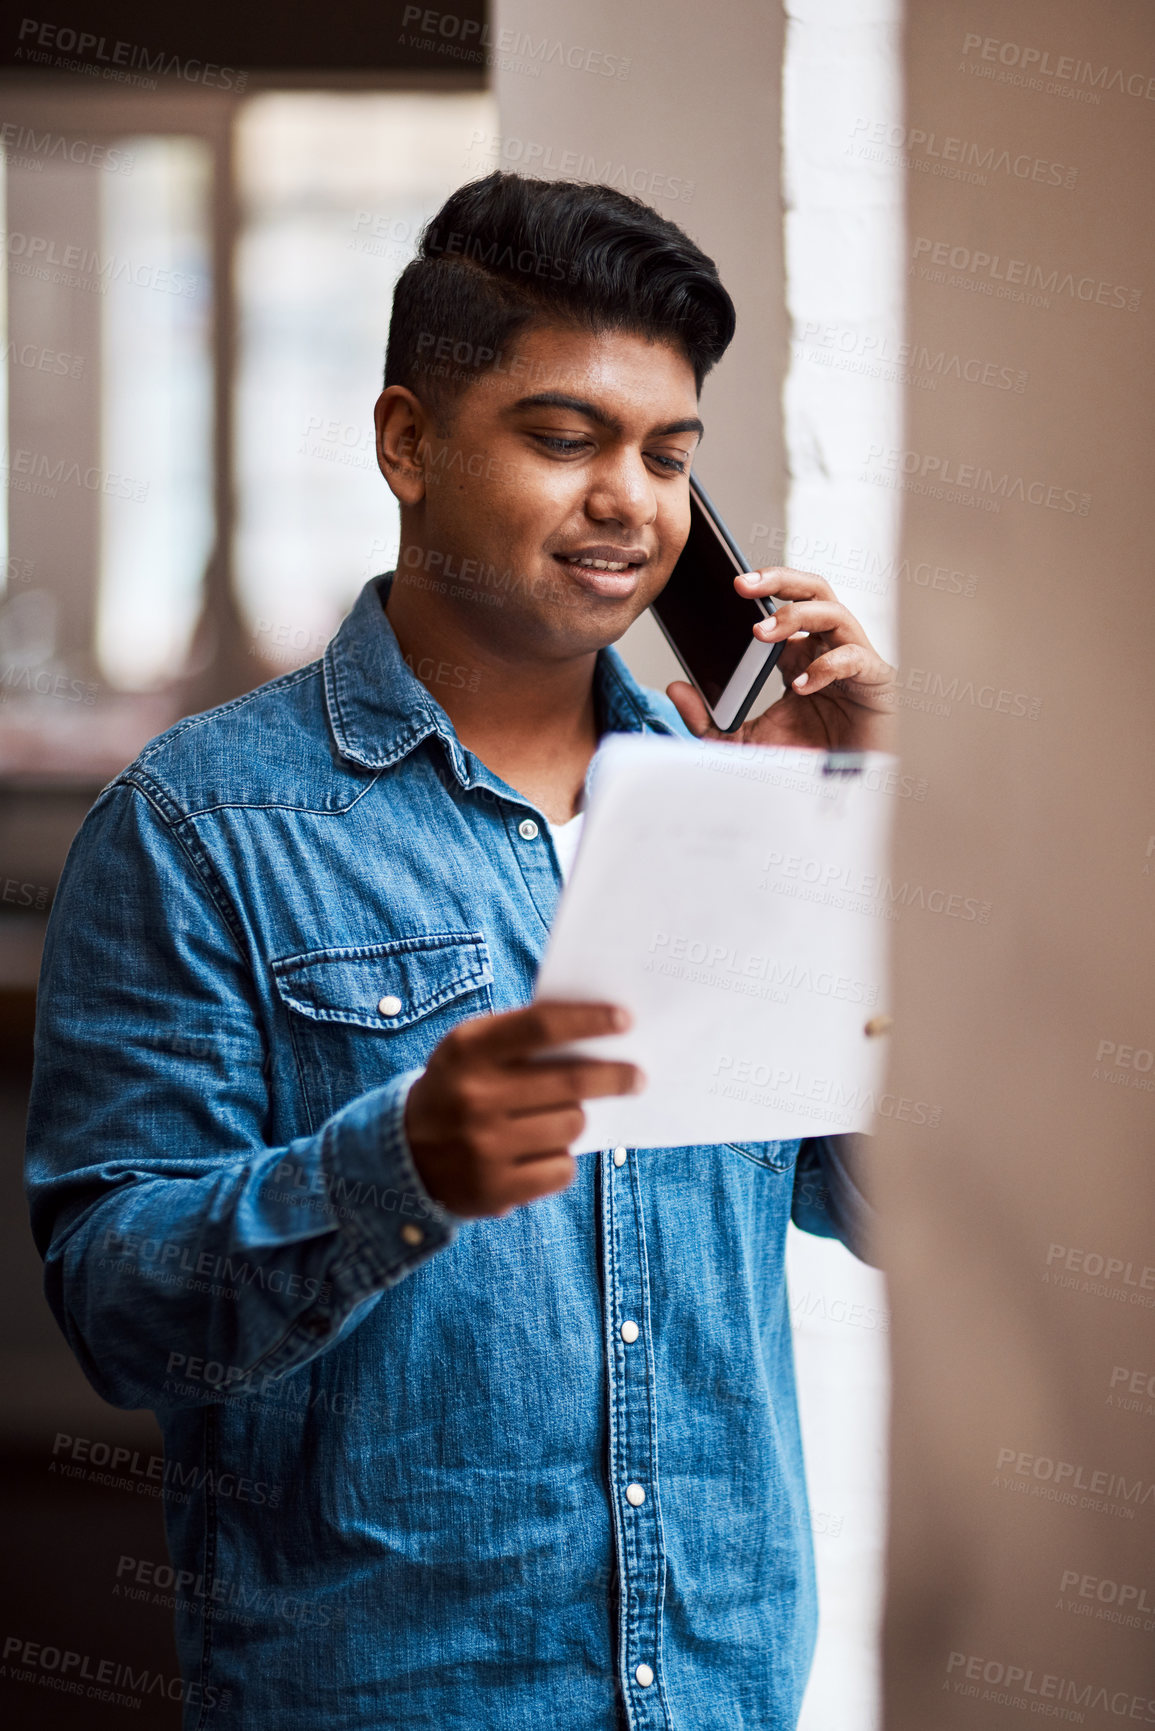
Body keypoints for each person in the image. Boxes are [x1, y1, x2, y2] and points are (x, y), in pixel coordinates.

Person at [26, 171, 896, 1729]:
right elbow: (118, 1307)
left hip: (723, 1692)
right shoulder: (198, 825)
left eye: (668, 455)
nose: (631, 500)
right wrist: (398, 1167)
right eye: (567, 438)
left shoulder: (740, 812)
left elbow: (901, 1208)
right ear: (407, 441)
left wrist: (868, 833)